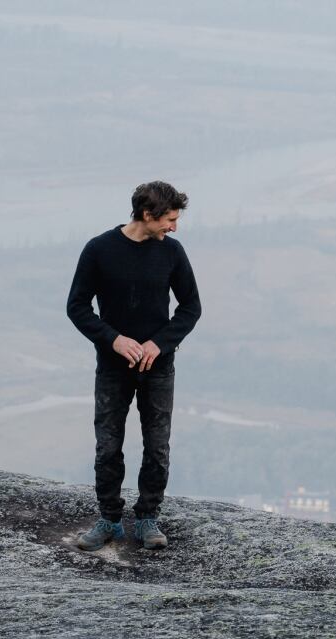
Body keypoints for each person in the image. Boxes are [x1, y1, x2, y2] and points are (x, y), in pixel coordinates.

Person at [66, 181, 201, 550]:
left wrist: (159, 344)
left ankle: (147, 519)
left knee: (157, 446)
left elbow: (191, 307)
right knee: (108, 445)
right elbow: (77, 307)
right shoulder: (99, 250)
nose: (174, 227)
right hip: (113, 366)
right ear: (147, 215)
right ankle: (109, 520)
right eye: (169, 219)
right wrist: (114, 339)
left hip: (158, 366)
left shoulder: (172, 253)